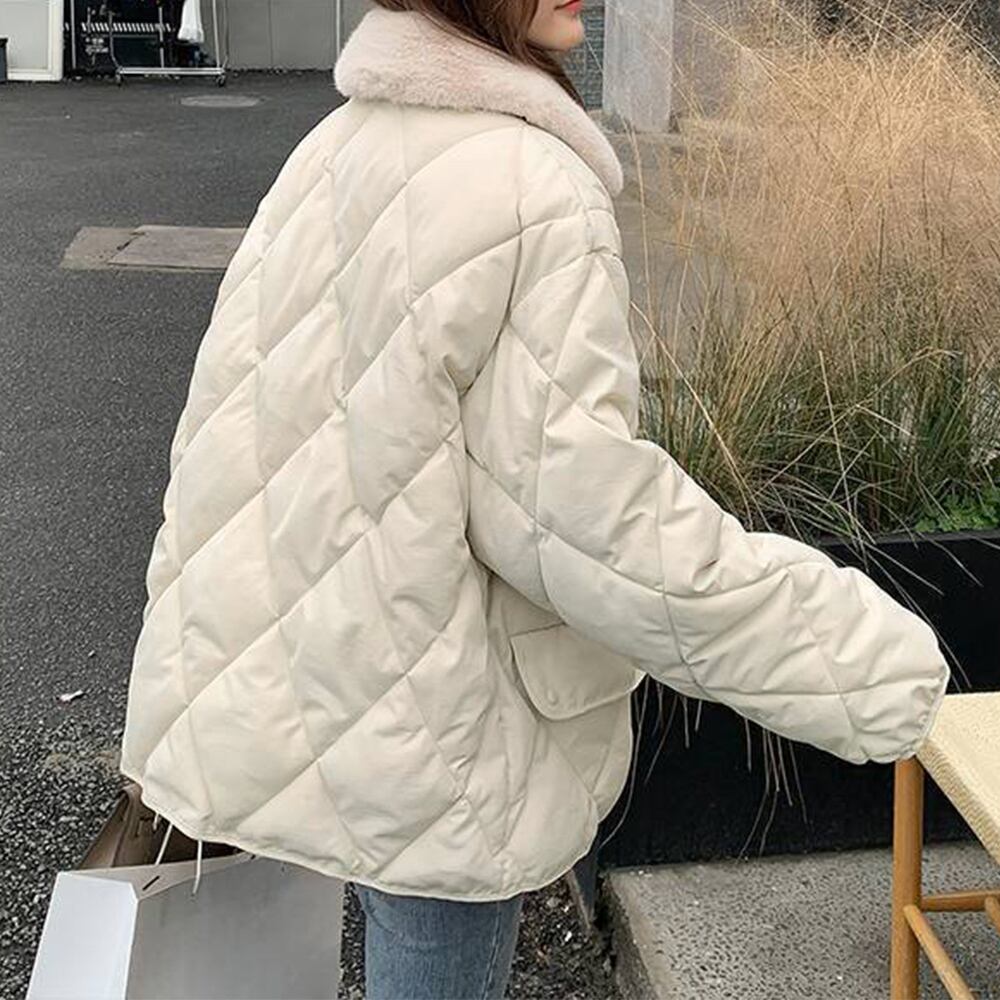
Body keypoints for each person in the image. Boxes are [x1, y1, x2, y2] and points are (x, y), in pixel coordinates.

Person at [117, 1, 950, 997]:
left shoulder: (336, 145)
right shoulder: (530, 184)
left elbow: (235, 427)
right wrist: (869, 663)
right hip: (435, 722)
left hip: (322, 671)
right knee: (430, 926)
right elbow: (589, 523)